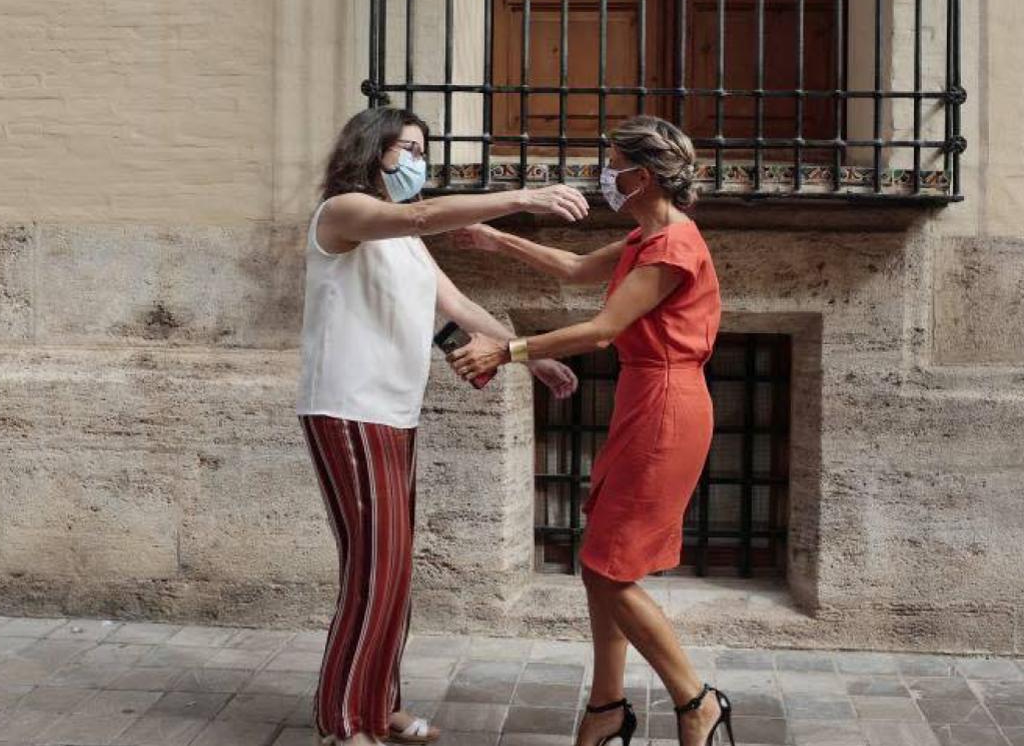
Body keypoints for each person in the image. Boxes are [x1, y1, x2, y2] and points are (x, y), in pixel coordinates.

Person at [299, 106, 586, 746]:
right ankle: (343, 722)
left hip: (393, 410)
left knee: (392, 568)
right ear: (371, 152)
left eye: (424, 150)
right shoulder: (344, 213)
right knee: (374, 568)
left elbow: (456, 307)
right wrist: (525, 197)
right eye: (407, 148)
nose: (418, 162)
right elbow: (423, 212)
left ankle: (381, 704)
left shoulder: (406, 242)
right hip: (346, 407)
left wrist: (527, 355)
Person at [448, 115, 734, 746]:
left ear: (644, 175)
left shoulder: (672, 246)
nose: (605, 175)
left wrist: (507, 350)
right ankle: (606, 708)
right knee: (599, 560)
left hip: (665, 401)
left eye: (613, 165)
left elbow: (603, 328)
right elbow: (576, 267)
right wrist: (497, 240)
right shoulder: (647, 236)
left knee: (609, 567)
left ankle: (696, 699)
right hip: (646, 397)